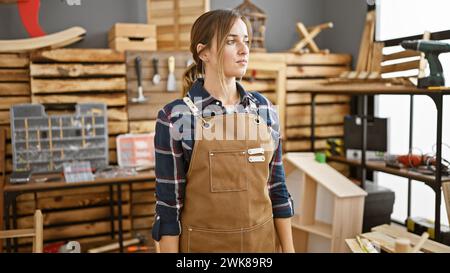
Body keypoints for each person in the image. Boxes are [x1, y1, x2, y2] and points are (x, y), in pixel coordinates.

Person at [152, 9, 295, 253]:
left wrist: (290, 251)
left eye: (246, 41)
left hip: (261, 248)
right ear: (203, 52)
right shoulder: (175, 118)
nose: (244, 49)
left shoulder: (265, 110)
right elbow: (168, 208)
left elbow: (278, 191)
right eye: (231, 41)